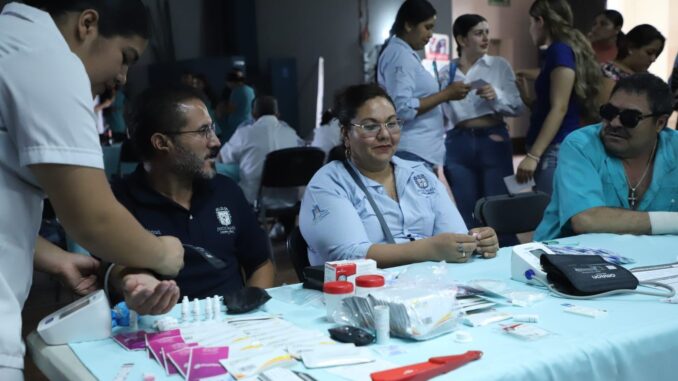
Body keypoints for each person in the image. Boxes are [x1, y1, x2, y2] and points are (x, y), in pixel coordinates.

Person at [0, 1, 184, 377]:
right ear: (87, 24)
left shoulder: (12, 44)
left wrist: (56, 257)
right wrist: (164, 254)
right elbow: (93, 218)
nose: (123, 76)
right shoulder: (47, 58)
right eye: (125, 57)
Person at [109, 85, 275, 313]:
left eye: (213, 129)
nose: (216, 141)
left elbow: (261, 264)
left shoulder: (226, 191)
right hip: (162, 330)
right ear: (161, 142)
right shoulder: (119, 201)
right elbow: (115, 269)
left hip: (235, 326)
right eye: (203, 131)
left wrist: (249, 313)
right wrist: (135, 284)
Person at [299, 84, 499, 268]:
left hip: (430, 289)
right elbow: (348, 255)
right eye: (370, 126)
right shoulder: (329, 184)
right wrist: (430, 249)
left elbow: (455, 236)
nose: (385, 134)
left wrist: (475, 241)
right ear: (345, 134)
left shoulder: (420, 174)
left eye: (392, 123)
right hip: (361, 295)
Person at [534, 73, 678, 240]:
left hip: (654, 259)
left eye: (630, 118)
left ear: (660, 123)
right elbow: (586, 220)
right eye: (609, 112)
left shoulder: (674, 147)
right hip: (567, 256)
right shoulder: (581, 145)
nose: (615, 123)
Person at [439, 14, 523, 235]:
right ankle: (472, 254)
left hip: (492, 137)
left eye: (487, 32)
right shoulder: (446, 72)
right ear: (462, 39)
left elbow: (517, 107)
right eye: (478, 33)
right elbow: (441, 115)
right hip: (458, 141)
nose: (486, 38)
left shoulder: (499, 65)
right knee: (466, 207)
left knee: (497, 205)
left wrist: (496, 96)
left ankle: (504, 255)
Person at [515, 0, 602, 195]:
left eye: (531, 23)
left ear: (540, 21)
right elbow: (552, 106)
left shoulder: (560, 50)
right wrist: (527, 98)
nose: (530, 29)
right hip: (550, 145)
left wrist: (533, 156)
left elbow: (560, 108)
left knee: (550, 213)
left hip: (554, 148)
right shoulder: (557, 51)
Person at [377, 0, 471, 171]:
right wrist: (446, 94)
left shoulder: (405, 53)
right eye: (427, 27)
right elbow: (402, 108)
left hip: (420, 151)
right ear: (408, 25)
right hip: (412, 151)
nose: (430, 35)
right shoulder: (399, 55)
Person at [218, 95, 303, 208]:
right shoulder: (291, 134)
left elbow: (221, 158)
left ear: (253, 115)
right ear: (278, 114)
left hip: (254, 200)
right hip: (290, 201)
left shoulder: (244, 134)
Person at [598, 24, 665, 101]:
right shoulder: (607, 72)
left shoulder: (648, 78)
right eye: (649, 52)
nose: (653, 59)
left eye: (656, 55)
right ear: (631, 47)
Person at [221, 69, 255, 142]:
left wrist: (221, 111)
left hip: (237, 125)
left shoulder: (236, 91)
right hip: (249, 121)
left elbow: (231, 109)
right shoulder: (250, 90)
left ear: (231, 82)